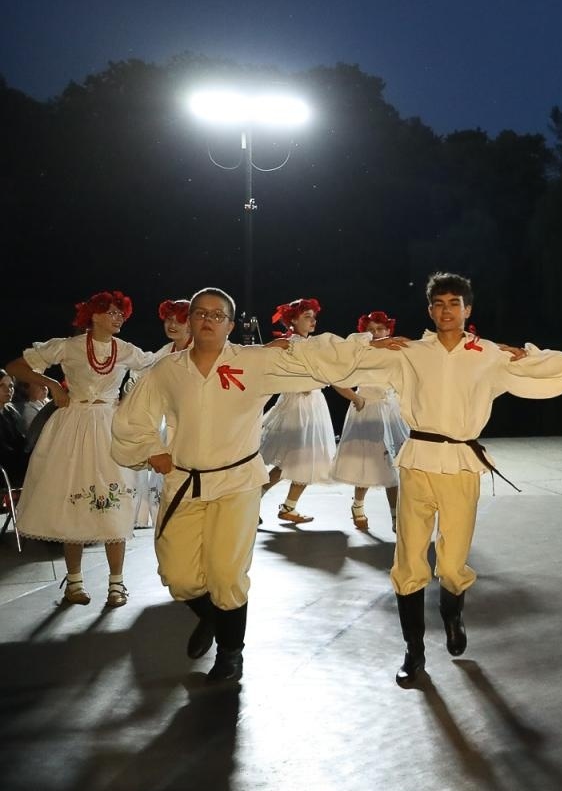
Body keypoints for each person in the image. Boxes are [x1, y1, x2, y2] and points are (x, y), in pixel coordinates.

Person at [321, 271, 562, 686]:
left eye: (454, 304)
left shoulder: (487, 353)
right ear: (429, 310)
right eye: (438, 304)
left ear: (468, 310)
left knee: (452, 562)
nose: (446, 311)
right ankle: (413, 651)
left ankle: (452, 615)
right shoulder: (410, 352)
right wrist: (368, 341)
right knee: (409, 559)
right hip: (418, 459)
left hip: (461, 462)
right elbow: (346, 362)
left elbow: (542, 369)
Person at [112, 287, 370, 682]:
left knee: (226, 574)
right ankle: (215, 618)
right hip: (185, 481)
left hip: (237, 482)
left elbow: (314, 358)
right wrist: (151, 448)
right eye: (201, 313)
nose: (209, 320)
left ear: (231, 325)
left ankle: (231, 654)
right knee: (178, 576)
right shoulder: (167, 371)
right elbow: (134, 419)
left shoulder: (254, 362)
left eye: (219, 315)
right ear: (190, 320)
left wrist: (372, 346)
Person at [5, 291, 160, 607]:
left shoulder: (125, 350)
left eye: (121, 313)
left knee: (115, 503)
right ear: (95, 315)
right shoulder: (70, 346)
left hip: (108, 425)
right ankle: (74, 583)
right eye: (113, 312)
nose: (119, 318)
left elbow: (156, 365)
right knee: (73, 502)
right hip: (73, 426)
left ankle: (116, 584)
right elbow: (16, 366)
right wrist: (50, 385)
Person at [260, 297, 337, 524]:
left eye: (314, 317)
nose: (313, 321)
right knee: (292, 461)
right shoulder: (287, 343)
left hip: (314, 403)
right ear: (292, 320)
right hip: (296, 406)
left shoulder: (312, 343)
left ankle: (288, 506)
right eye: (307, 317)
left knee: (305, 460)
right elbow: (263, 357)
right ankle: (258, 499)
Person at [330, 311, 408, 531]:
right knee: (366, 464)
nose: (376, 333)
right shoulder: (359, 351)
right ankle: (358, 505)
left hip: (390, 410)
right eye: (371, 330)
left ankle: (395, 517)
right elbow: (335, 377)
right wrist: (356, 398)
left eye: (380, 329)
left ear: (388, 329)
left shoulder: (396, 351)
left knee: (391, 465)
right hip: (367, 410)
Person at [131, 299, 192, 529]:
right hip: (174, 425)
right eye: (168, 319)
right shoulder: (165, 353)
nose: (172, 324)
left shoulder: (201, 349)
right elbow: (144, 376)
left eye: (179, 319)